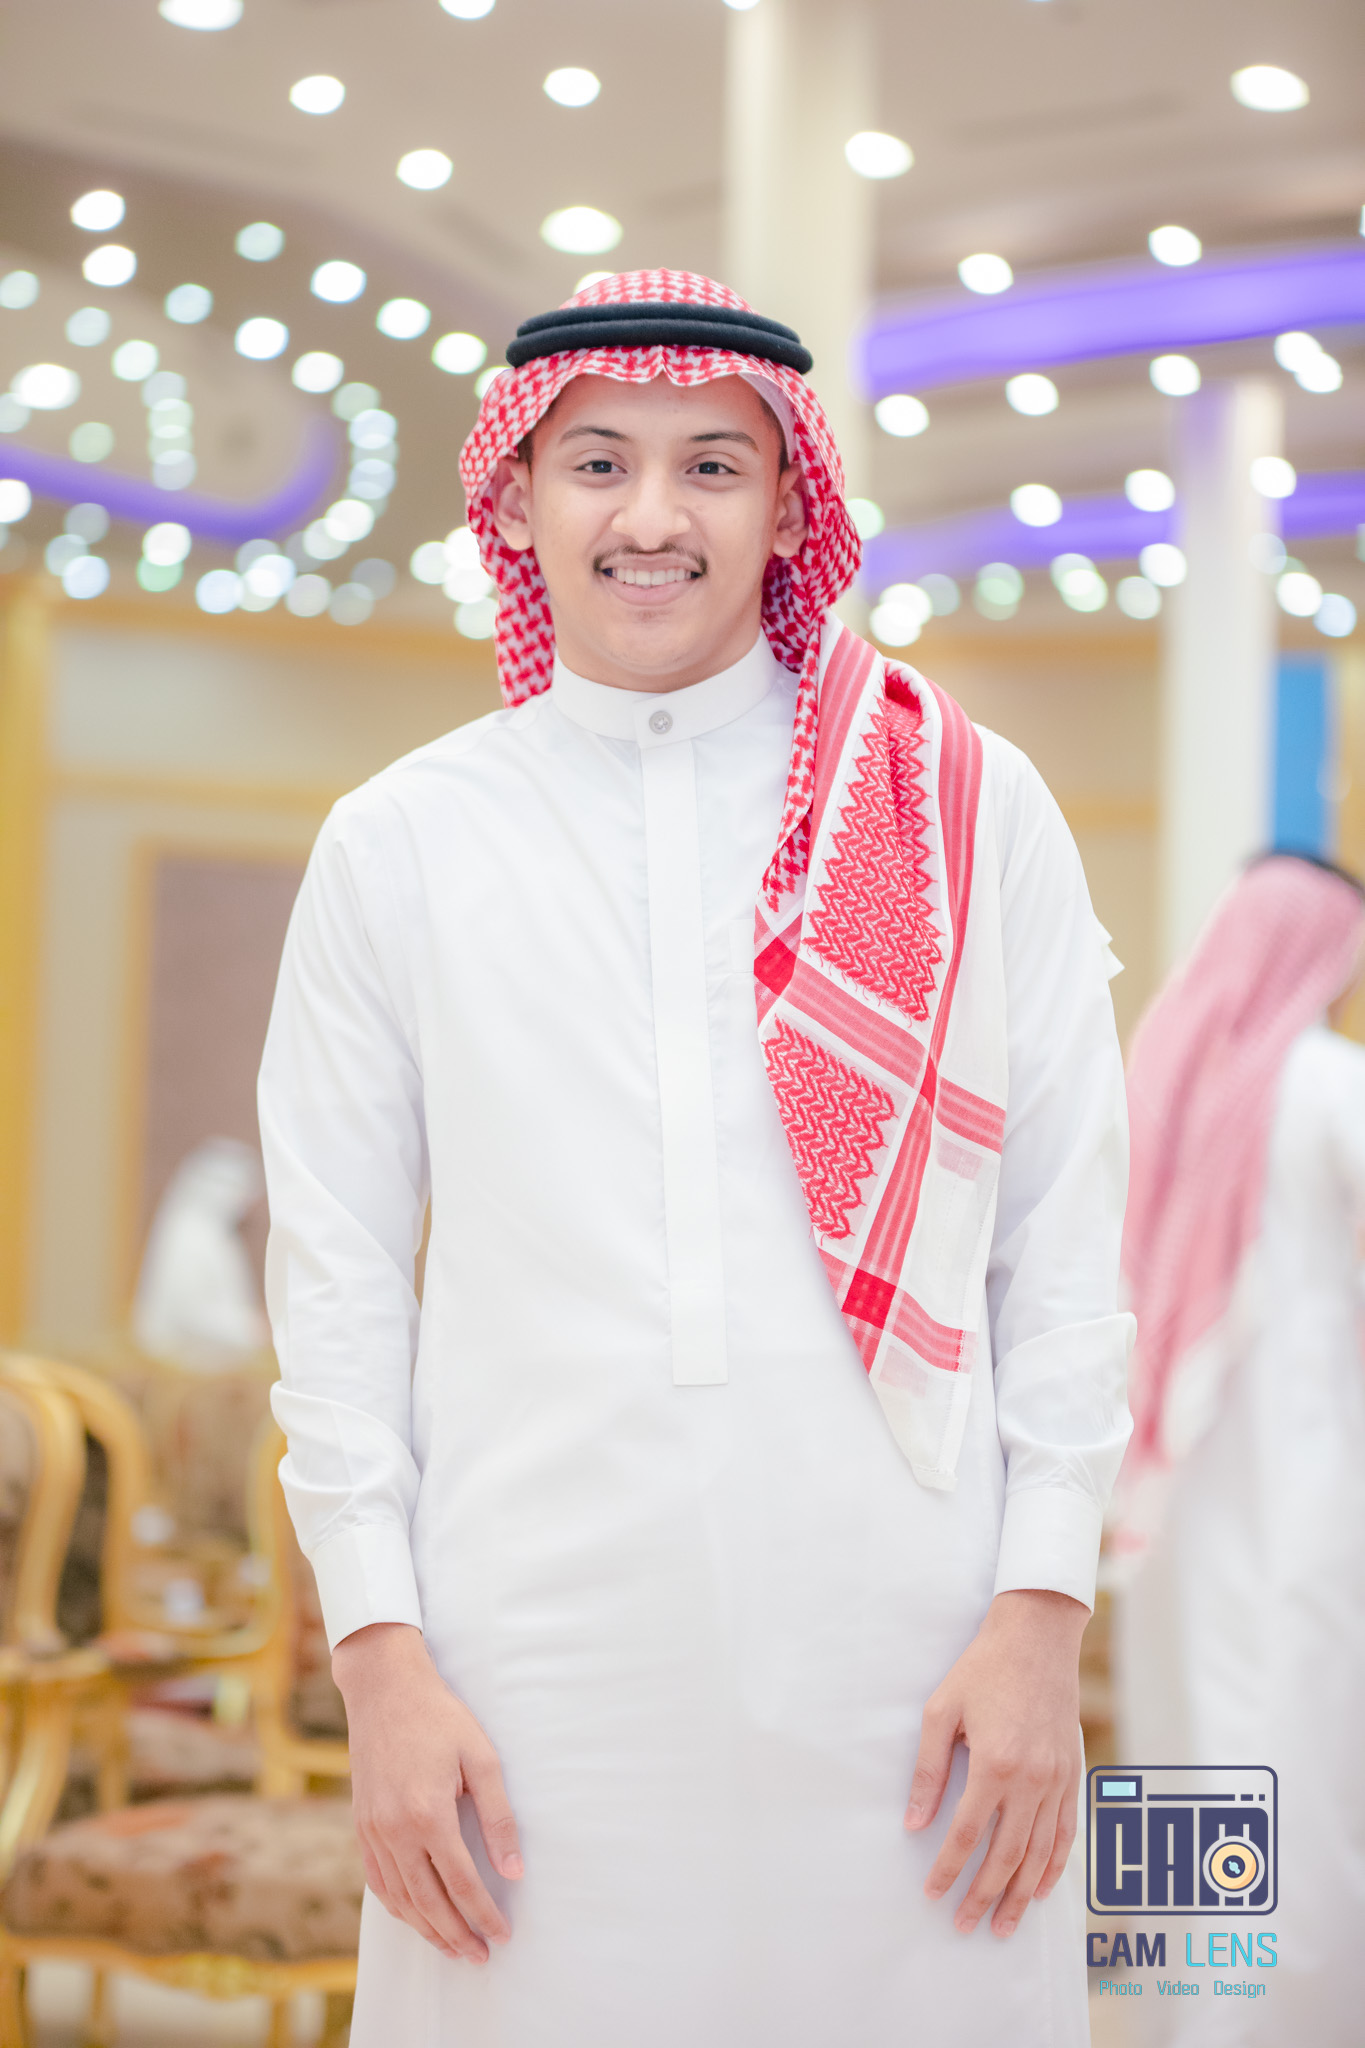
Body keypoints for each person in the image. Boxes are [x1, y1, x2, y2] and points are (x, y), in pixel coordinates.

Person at [258, 270, 1134, 2048]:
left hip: (914, 1656)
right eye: (598, 463)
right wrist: (380, 1664)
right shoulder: (399, 842)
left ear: (791, 506)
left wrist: (1041, 1616)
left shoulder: (965, 811)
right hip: (524, 1667)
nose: (651, 516)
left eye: (712, 468)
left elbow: (1064, 1242)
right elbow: (335, 1282)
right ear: (515, 499)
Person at [1112, 851, 1365, 2043]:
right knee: (1292, 1751)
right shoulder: (1323, 1081)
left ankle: (1183, 2017)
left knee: (1184, 1755)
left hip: (1174, 1495)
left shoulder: (1170, 1075)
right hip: (1302, 1482)